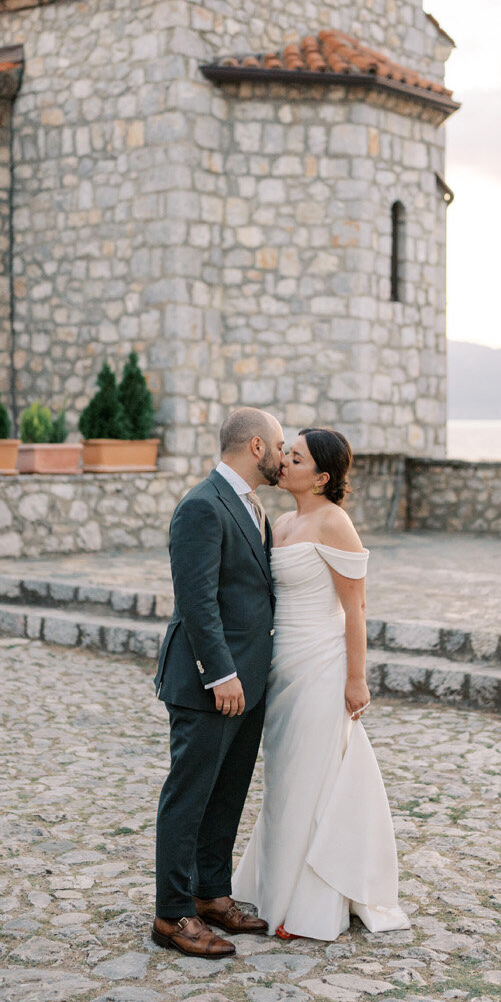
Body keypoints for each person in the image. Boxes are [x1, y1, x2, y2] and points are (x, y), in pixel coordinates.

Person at [233, 427, 409, 941]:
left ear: (323, 476)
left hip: (321, 666)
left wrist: (357, 679)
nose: (285, 461)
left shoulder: (335, 522)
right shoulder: (283, 520)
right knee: (284, 779)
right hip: (279, 665)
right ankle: (274, 888)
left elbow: (356, 608)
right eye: (286, 452)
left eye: (297, 456)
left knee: (311, 776)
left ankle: (303, 903)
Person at [152, 407, 286, 958]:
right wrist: (223, 674)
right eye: (279, 445)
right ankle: (172, 913)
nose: (284, 456)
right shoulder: (201, 506)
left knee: (226, 795)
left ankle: (211, 895)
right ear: (256, 447)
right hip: (211, 683)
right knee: (189, 797)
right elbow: (197, 603)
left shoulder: (254, 509)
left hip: (249, 684)